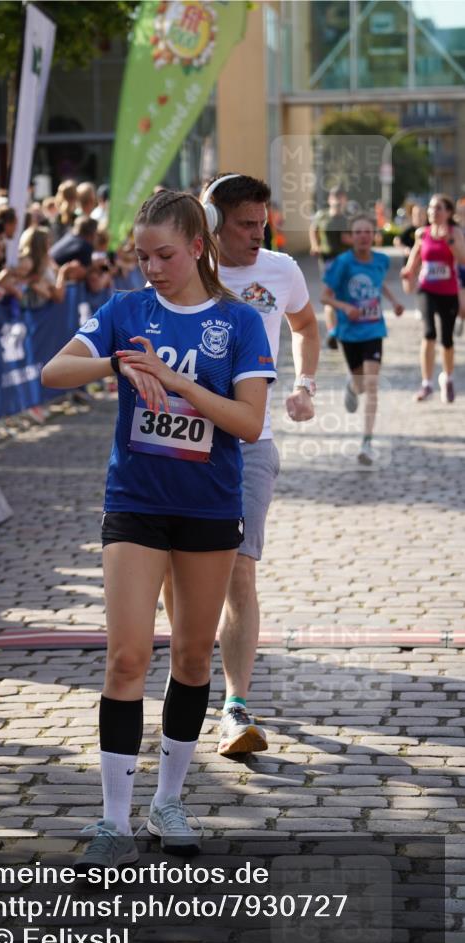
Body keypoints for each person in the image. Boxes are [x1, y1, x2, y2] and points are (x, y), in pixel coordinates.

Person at [41, 190, 276, 867]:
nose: (151, 268)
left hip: (207, 506)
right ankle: (113, 820)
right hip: (135, 501)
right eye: (141, 256)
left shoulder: (237, 322)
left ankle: (167, 801)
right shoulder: (125, 310)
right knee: (126, 656)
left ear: (197, 247)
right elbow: (53, 371)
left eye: (164, 255)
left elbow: (248, 422)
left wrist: (177, 384)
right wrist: (116, 363)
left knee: (194, 659)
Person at [163, 173, 319, 757]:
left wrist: (304, 384)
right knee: (178, 573)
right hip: (181, 442)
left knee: (240, 571)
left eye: (263, 223)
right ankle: (189, 670)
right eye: (246, 225)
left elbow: (305, 325)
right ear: (211, 225)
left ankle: (235, 704)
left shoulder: (281, 271)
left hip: (251, 444)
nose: (259, 235)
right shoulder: (182, 271)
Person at [322, 214, 404, 465]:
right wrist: (345, 307)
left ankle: (366, 441)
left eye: (368, 231)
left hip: (374, 329)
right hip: (349, 332)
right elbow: (325, 297)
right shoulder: (342, 263)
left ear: (374, 235)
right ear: (350, 236)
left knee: (372, 383)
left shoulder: (381, 260)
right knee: (360, 384)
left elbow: (378, 284)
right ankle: (351, 387)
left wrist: (394, 302)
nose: (363, 236)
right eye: (358, 232)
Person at [400, 194, 465, 403]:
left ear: (448, 212)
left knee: (447, 339)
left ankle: (447, 378)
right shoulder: (422, 233)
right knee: (429, 333)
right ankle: (426, 384)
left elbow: (463, 259)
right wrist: (408, 273)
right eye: (431, 208)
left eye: (438, 208)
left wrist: (450, 242)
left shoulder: (455, 233)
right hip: (426, 289)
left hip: (449, 291)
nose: (433, 212)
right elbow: (414, 259)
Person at [309, 186, 352, 348]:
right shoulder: (322, 215)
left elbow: (355, 238)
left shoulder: (347, 219)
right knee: (330, 296)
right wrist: (315, 245)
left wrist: (351, 240)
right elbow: (313, 229)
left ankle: (343, 330)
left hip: (345, 261)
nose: (338, 200)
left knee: (344, 295)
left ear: (345, 199)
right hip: (327, 261)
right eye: (335, 197)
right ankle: (332, 332)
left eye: (341, 197)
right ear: (330, 199)